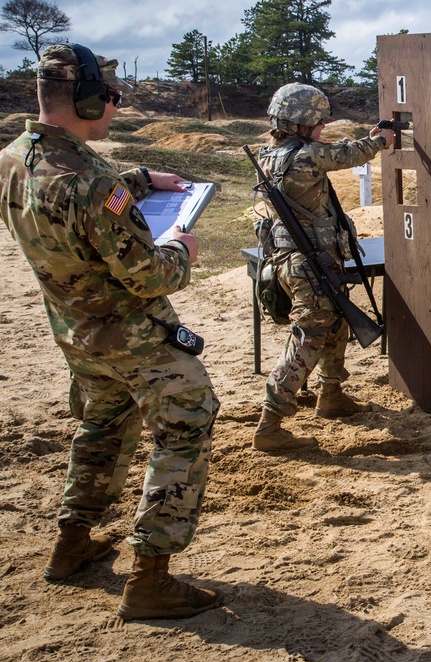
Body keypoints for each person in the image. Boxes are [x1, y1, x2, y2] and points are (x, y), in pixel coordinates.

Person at [0, 43, 222, 621]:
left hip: (75, 335)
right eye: (115, 98)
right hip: (135, 337)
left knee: (103, 425)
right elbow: (150, 277)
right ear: (91, 98)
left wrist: (138, 178)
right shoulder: (94, 184)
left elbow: (61, 196)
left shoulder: (13, 159)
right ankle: (151, 578)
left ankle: (71, 544)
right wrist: (180, 248)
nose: (118, 109)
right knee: (187, 421)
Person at [252, 83, 394, 452]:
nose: (321, 129)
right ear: (301, 124)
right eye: (318, 124)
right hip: (307, 263)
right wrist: (380, 141)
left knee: (337, 324)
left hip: (297, 259)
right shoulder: (306, 156)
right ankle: (270, 423)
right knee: (308, 337)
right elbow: (345, 154)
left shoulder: (271, 155)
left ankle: (331, 394)